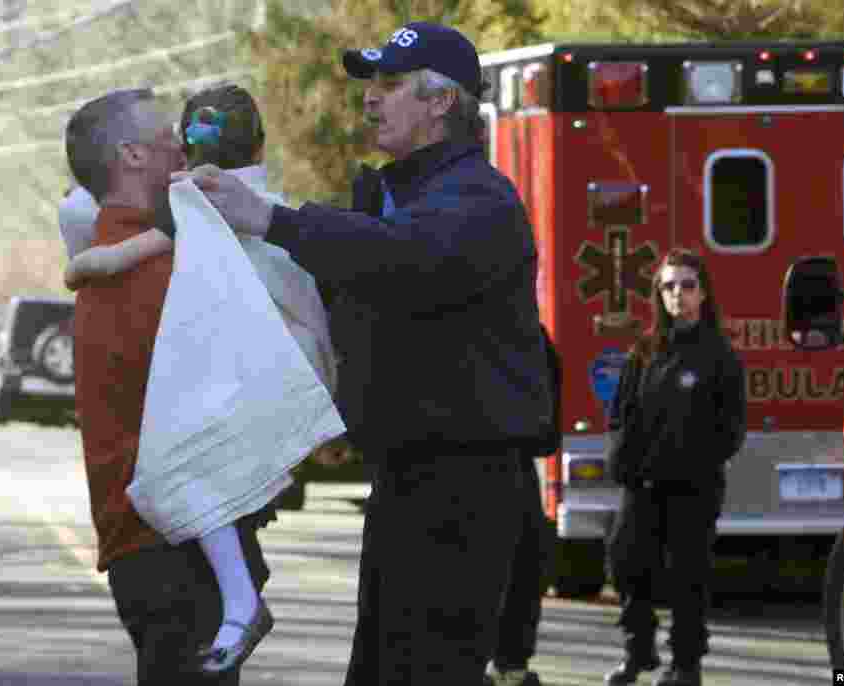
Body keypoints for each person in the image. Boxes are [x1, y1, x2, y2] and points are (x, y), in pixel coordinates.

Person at [187, 21, 557, 685]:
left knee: (428, 670)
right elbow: (365, 298)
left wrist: (273, 219)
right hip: (409, 477)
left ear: (442, 101)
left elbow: (404, 259)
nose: (370, 98)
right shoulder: (407, 195)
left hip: (462, 485)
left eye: (389, 84)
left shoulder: (477, 196)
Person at [62, 84, 340, 673]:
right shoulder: (162, 271)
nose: (182, 148)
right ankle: (241, 598)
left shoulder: (131, 246)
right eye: (168, 136)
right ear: (133, 156)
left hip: (156, 543)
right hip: (173, 547)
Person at [604, 249, 746, 686]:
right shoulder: (644, 351)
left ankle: (686, 665)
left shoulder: (718, 355)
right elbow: (621, 413)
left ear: (703, 293)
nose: (677, 294)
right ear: (659, 294)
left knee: (687, 578)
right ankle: (638, 653)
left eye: (686, 285)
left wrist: (696, 461)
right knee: (626, 564)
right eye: (668, 286)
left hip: (692, 488)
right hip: (641, 485)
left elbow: (732, 427)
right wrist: (622, 460)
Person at [485, 325, 561, 686]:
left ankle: (511, 663)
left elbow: (551, 387)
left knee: (525, 569)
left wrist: (541, 436)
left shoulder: (528, 331)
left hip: (515, 462)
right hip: (463, 465)